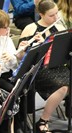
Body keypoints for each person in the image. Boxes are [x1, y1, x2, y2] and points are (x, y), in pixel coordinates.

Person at [18, 0, 68, 132]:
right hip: (38, 70)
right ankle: (42, 121)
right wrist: (36, 46)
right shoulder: (30, 29)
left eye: (57, 14)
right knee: (63, 87)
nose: (56, 18)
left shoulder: (60, 27)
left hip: (56, 66)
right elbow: (21, 58)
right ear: (41, 14)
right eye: (52, 15)